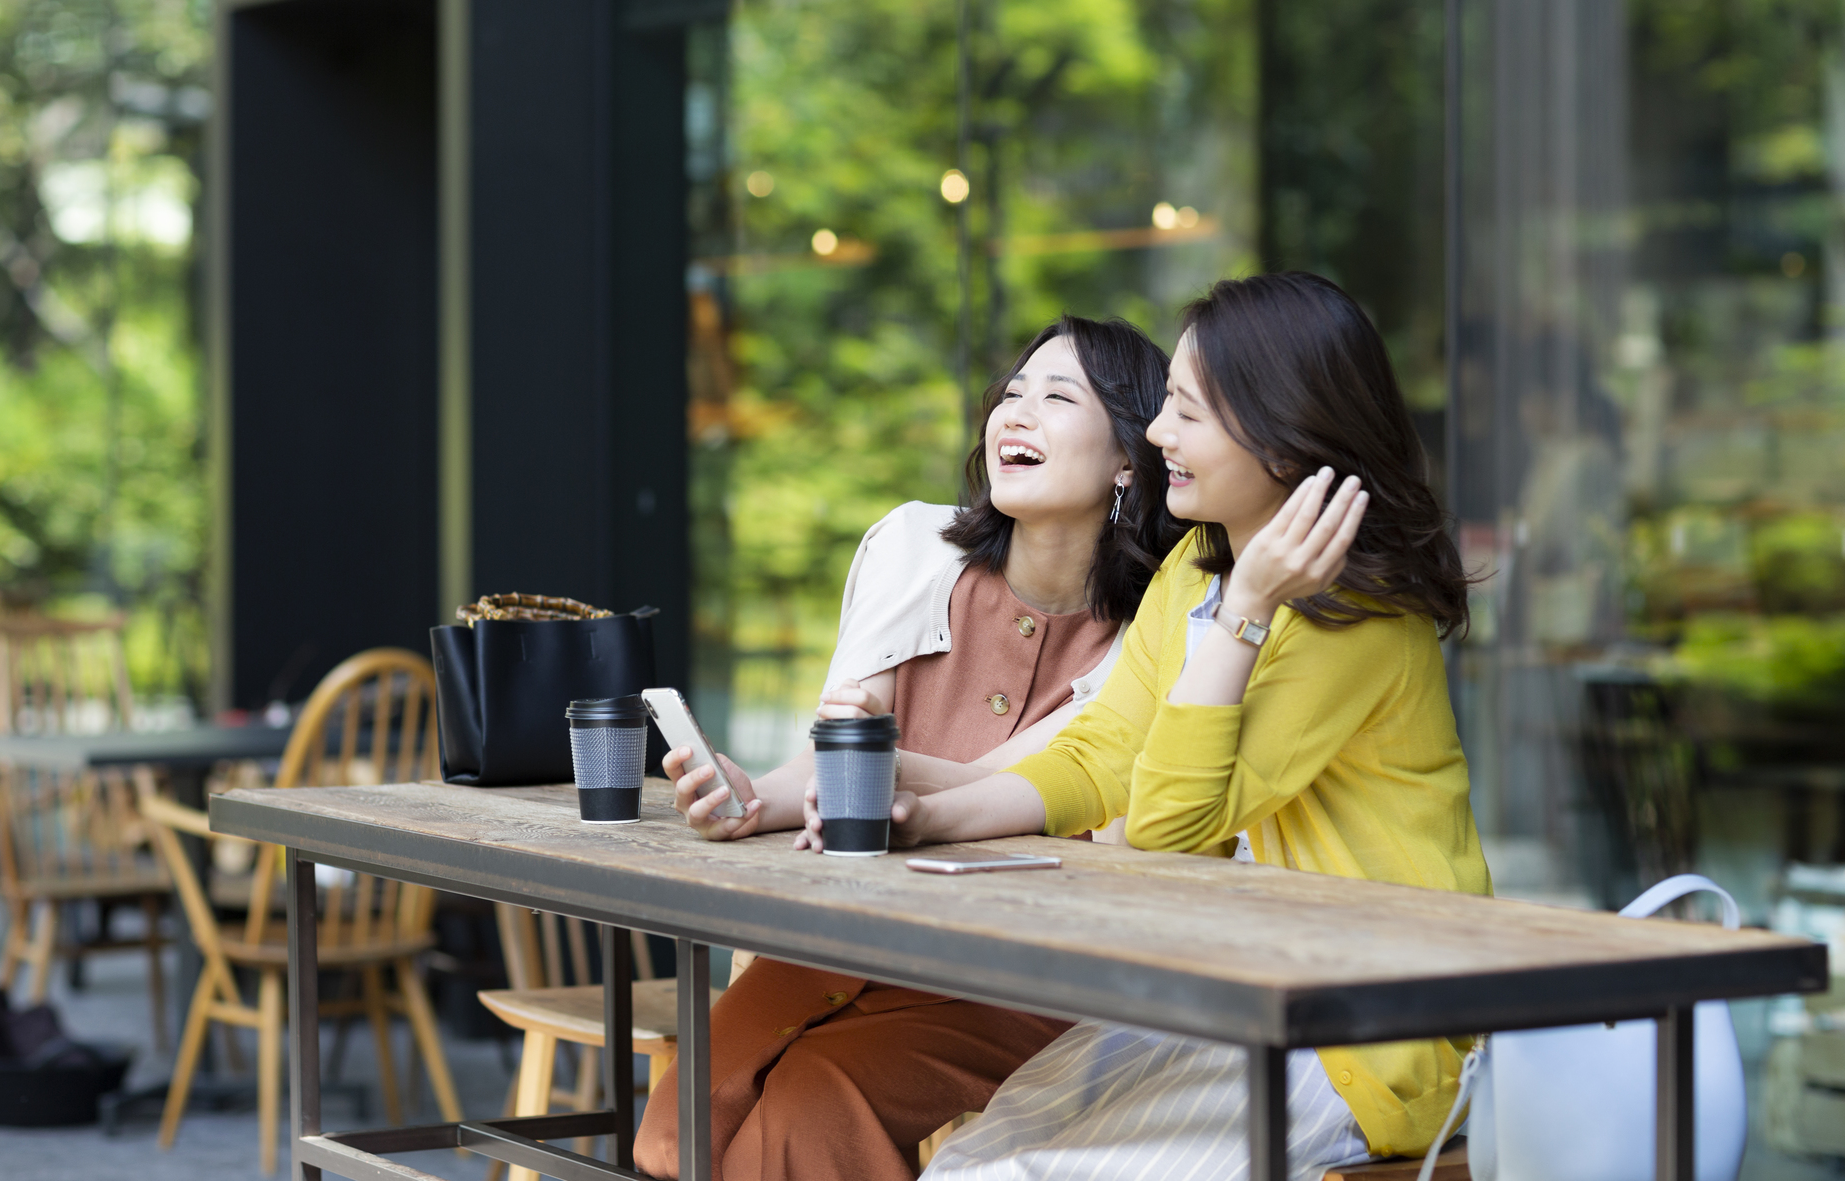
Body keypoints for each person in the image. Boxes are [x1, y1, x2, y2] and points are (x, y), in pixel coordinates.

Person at [894, 271, 1490, 1181]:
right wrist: (936, 815)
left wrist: (1247, 612)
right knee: (980, 1156)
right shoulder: (1193, 575)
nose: (1160, 433)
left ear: (1280, 430)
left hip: (1361, 1035)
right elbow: (1100, 756)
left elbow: (1169, 827)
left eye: (1187, 412)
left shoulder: (1358, 614)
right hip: (1227, 994)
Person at [633, 315, 1187, 1181]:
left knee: (813, 1110)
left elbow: (989, 788)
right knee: (674, 1132)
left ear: (1129, 458)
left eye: (1056, 396)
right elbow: (840, 760)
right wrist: (751, 798)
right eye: (1011, 393)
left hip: (1021, 973)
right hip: (846, 940)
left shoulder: (1152, 635)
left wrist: (859, 779)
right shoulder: (914, 552)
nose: (1017, 412)